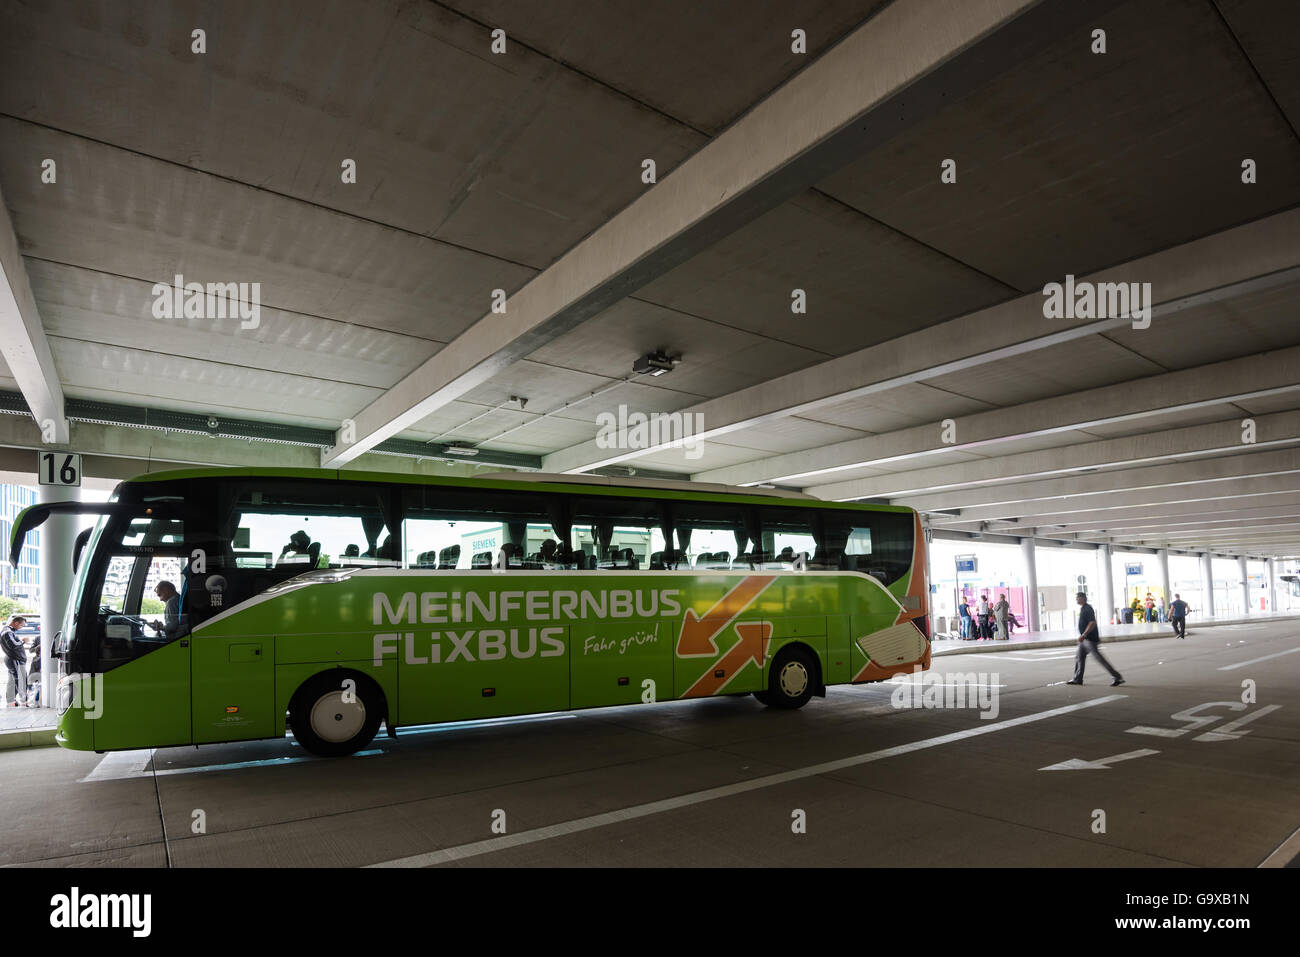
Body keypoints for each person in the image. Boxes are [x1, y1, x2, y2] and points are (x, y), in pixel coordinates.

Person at [1066, 592, 1124, 687]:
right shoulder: (1083, 608)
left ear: (1083, 598)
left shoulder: (1088, 609)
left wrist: (1084, 634)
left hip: (1090, 639)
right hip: (1084, 640)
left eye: (1078, 598)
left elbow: (1092, 623)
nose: (1076, 600)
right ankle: (1077, 679)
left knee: (1100, 659)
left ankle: (1117, 677)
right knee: (1079, 658)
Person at [1, 615, 28, 707]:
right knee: (20, 679)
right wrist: (23, 641)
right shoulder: (7, 632)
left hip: (13, 659)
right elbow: (13, 645)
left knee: (12, 680)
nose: (22, 627)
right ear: (16, 623)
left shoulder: (8, 631)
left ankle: (10, 701)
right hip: (15, 659)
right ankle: (24, 701)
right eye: (21, 625)